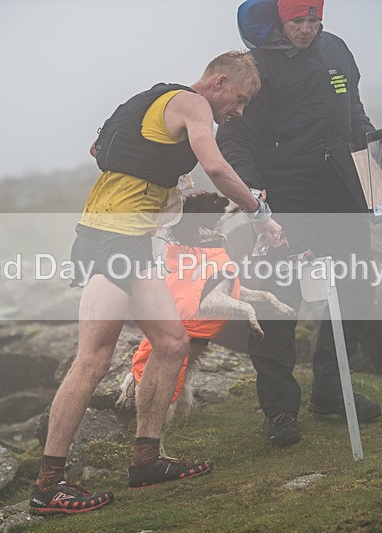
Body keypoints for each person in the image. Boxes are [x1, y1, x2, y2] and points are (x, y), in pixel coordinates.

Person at [29, 50, 286, 515]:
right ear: (221, 82)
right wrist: (260, 213)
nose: (240, 111)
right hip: (110, 238)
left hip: (133, 241)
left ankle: (147, 459)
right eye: (241, 99)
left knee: (172, 344)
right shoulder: (193, 105)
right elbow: (218, 168)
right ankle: (48, 485)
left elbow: (100, 148)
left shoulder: (152, 100)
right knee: (94, 360)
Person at [216, 0, 382, 448]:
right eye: (297, 21)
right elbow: (234, 138)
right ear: (278, 19)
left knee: (357, 288)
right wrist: (252, 198)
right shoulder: (257, 69)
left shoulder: (337, 51)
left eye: (314, 20)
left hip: (342, 193)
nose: (307, 29)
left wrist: (378, 173)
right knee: (277, 303)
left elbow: (355, 114)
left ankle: (330, 389)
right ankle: (279, 409)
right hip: (283, 204)